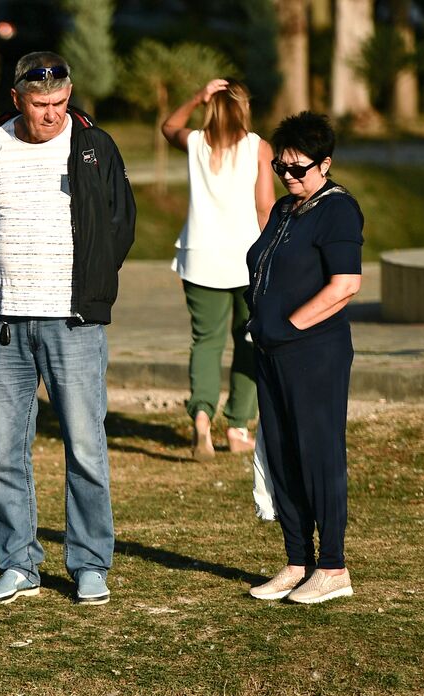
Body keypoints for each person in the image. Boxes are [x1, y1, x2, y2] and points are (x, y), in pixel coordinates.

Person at [0, 52, 136, 606]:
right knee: (5, 453)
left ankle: (89, 564)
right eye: (40, 105)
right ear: (17, 98)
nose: (53, 114)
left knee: (85, 446)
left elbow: (120, 223)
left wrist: (92, 284)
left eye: (60, 103)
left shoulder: (93, 145)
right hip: (5, 324)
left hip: (73, 321)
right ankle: (18, 564)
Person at [244, 111, 363, 605]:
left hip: (314, 354)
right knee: (281, 453)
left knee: (319, 456)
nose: (289, 176)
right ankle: (298, 561)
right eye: (281, 167)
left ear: (325, 163)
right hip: (272, 353)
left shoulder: (338, 209)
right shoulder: (286, 210)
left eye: (299, 168)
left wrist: (288, 325)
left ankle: (333, 567)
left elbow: (346, 284)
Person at [162, 78, 275, 460]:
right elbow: (265, 208)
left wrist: (196, 96)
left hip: (200, 258)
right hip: (246, 261)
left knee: (206, 342)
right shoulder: (258, 147)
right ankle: (239, 426)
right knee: (249, 341)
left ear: (212, 108)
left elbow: (168, 127)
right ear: (244, 109)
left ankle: (201, 419)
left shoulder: (196, 143)